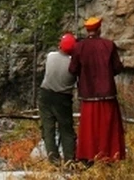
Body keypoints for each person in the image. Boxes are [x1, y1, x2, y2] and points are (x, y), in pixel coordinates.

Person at [68, 16, 125, 163]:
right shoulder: (109, 45)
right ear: (99, 29)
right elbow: (117, 68)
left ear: (87, 30)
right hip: (108, 94)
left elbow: (72, 69)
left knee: (89, 129)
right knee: (108, 127)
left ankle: (88, 156)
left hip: (88, 95)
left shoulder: (79, 47)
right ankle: (109, 156)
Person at [39, 32, 77, 163]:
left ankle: (54, 160)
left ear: (60, 46)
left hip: (45, 94)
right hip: (63, 99)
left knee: (47, 129)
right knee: (66, 130)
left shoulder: (51, 56)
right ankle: (69, 160)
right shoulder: (74, 64)